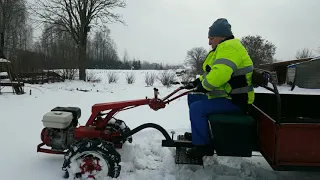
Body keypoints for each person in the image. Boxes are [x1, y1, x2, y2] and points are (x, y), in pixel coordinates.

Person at [184, 18, 255, 157]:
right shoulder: (223, 48)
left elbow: (220, 74)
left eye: (211, 38)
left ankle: (203, 146)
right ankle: (200, 133)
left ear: (222, 36)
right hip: (228, 97)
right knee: (193, 98)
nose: (209, 42)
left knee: (197, 108)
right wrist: (197, 82)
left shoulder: (230, 48)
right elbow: (212, 72)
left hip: (237, 101)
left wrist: (203, 86)